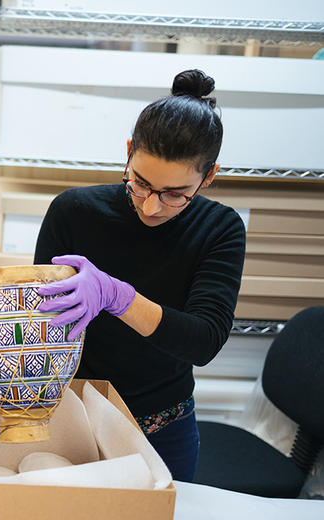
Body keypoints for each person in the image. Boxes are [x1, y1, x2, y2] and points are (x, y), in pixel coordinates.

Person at [33, 69, 246, 482]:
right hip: (74, 414)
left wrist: (119, 297)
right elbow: (43, 323)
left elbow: (203, 341)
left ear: (209, 176)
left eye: (175, 194)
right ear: (129, 152)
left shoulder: (219, 229)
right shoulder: (74, 212)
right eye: (141, 184)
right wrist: (14, 391)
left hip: (163, 427)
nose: (151, 207)